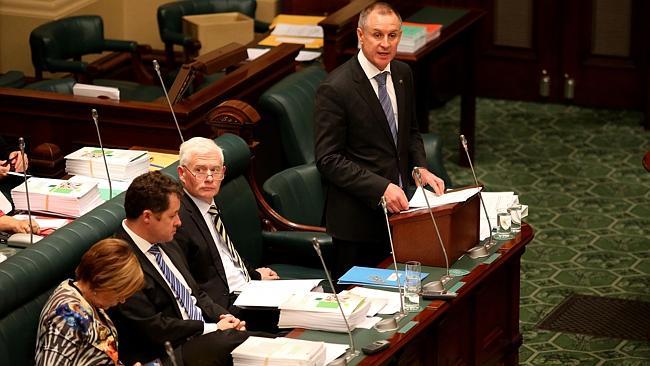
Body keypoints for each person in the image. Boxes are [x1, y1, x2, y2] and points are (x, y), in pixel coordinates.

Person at [314, 2, 446, 277]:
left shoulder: (402, 74)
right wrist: (381, 188)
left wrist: (419, 168)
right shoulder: (336, 88)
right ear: (361, 35)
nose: (385, 44)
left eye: (392, 35)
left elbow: (409, 131)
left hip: (402, 213)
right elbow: (328, 160)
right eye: (377, 35)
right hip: (357, 224)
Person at [109, 171, 264, 366]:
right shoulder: (120, 261)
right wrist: (212, 328)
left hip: (201, 334)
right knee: (237, 343)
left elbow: (196, 293)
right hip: (166, 352)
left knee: (261, 335)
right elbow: (154, 328)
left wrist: (223, 316)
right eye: (172, 215)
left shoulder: (165, 239)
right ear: (147, 216)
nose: (179, 222)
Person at [174, 137, 279, 317]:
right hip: (226, 308)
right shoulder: (178, 218)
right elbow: (189, 286)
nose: (209, 178)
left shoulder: (211, 204)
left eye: (214, 170)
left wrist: (253, 275)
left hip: (250, 290)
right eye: (199, 170)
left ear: (223, 172)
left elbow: (226, 255)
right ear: (182, 173)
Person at [35, 238, 145, 366]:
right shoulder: (67, 315)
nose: (122, 300)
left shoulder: (88, 299)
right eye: (119, 293)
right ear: (102, 281)